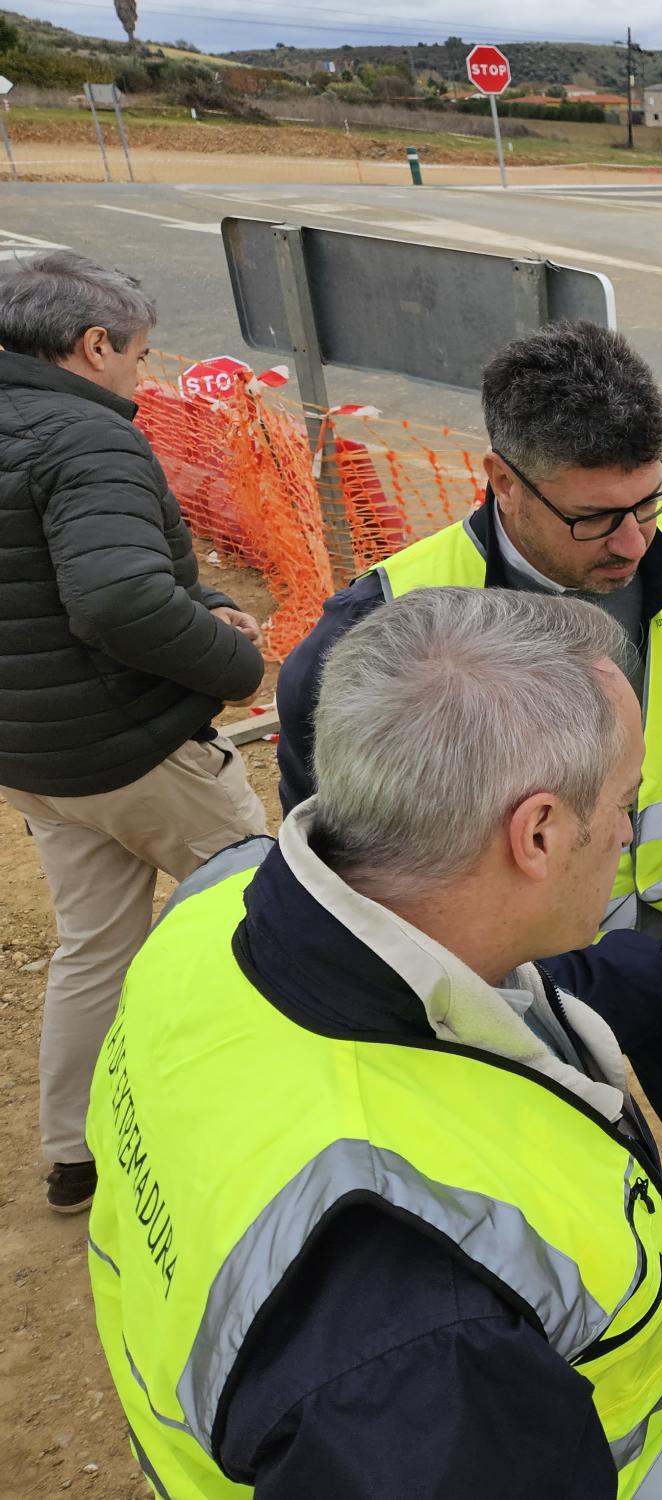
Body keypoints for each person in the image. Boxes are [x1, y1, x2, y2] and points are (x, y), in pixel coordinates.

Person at [86, 588, 662, 1498]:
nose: (629, 829)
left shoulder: (223, 908)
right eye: (625, 801)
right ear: (538, 832)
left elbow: (506, 999)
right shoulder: (425, 1339)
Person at [274, 321, 662, 1355]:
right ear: (500, 482)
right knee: (565, 1177)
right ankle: (601, 1325)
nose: (635, 542)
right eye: (597, 517)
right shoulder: (377, 639)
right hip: (500, 990)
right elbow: (362, 902)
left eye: (651, 499)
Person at [0, 251, 266, 1215]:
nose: (144, 378)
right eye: (141, 356)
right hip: (140, 749)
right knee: (264, 916)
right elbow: (113, 598)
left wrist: (196, 603)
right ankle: (262, 1126)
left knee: (93, 949)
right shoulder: (88, 434)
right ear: (93, 345)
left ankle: (76, 1155)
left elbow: (56, 571)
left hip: (35, 754)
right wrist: (233, 666)